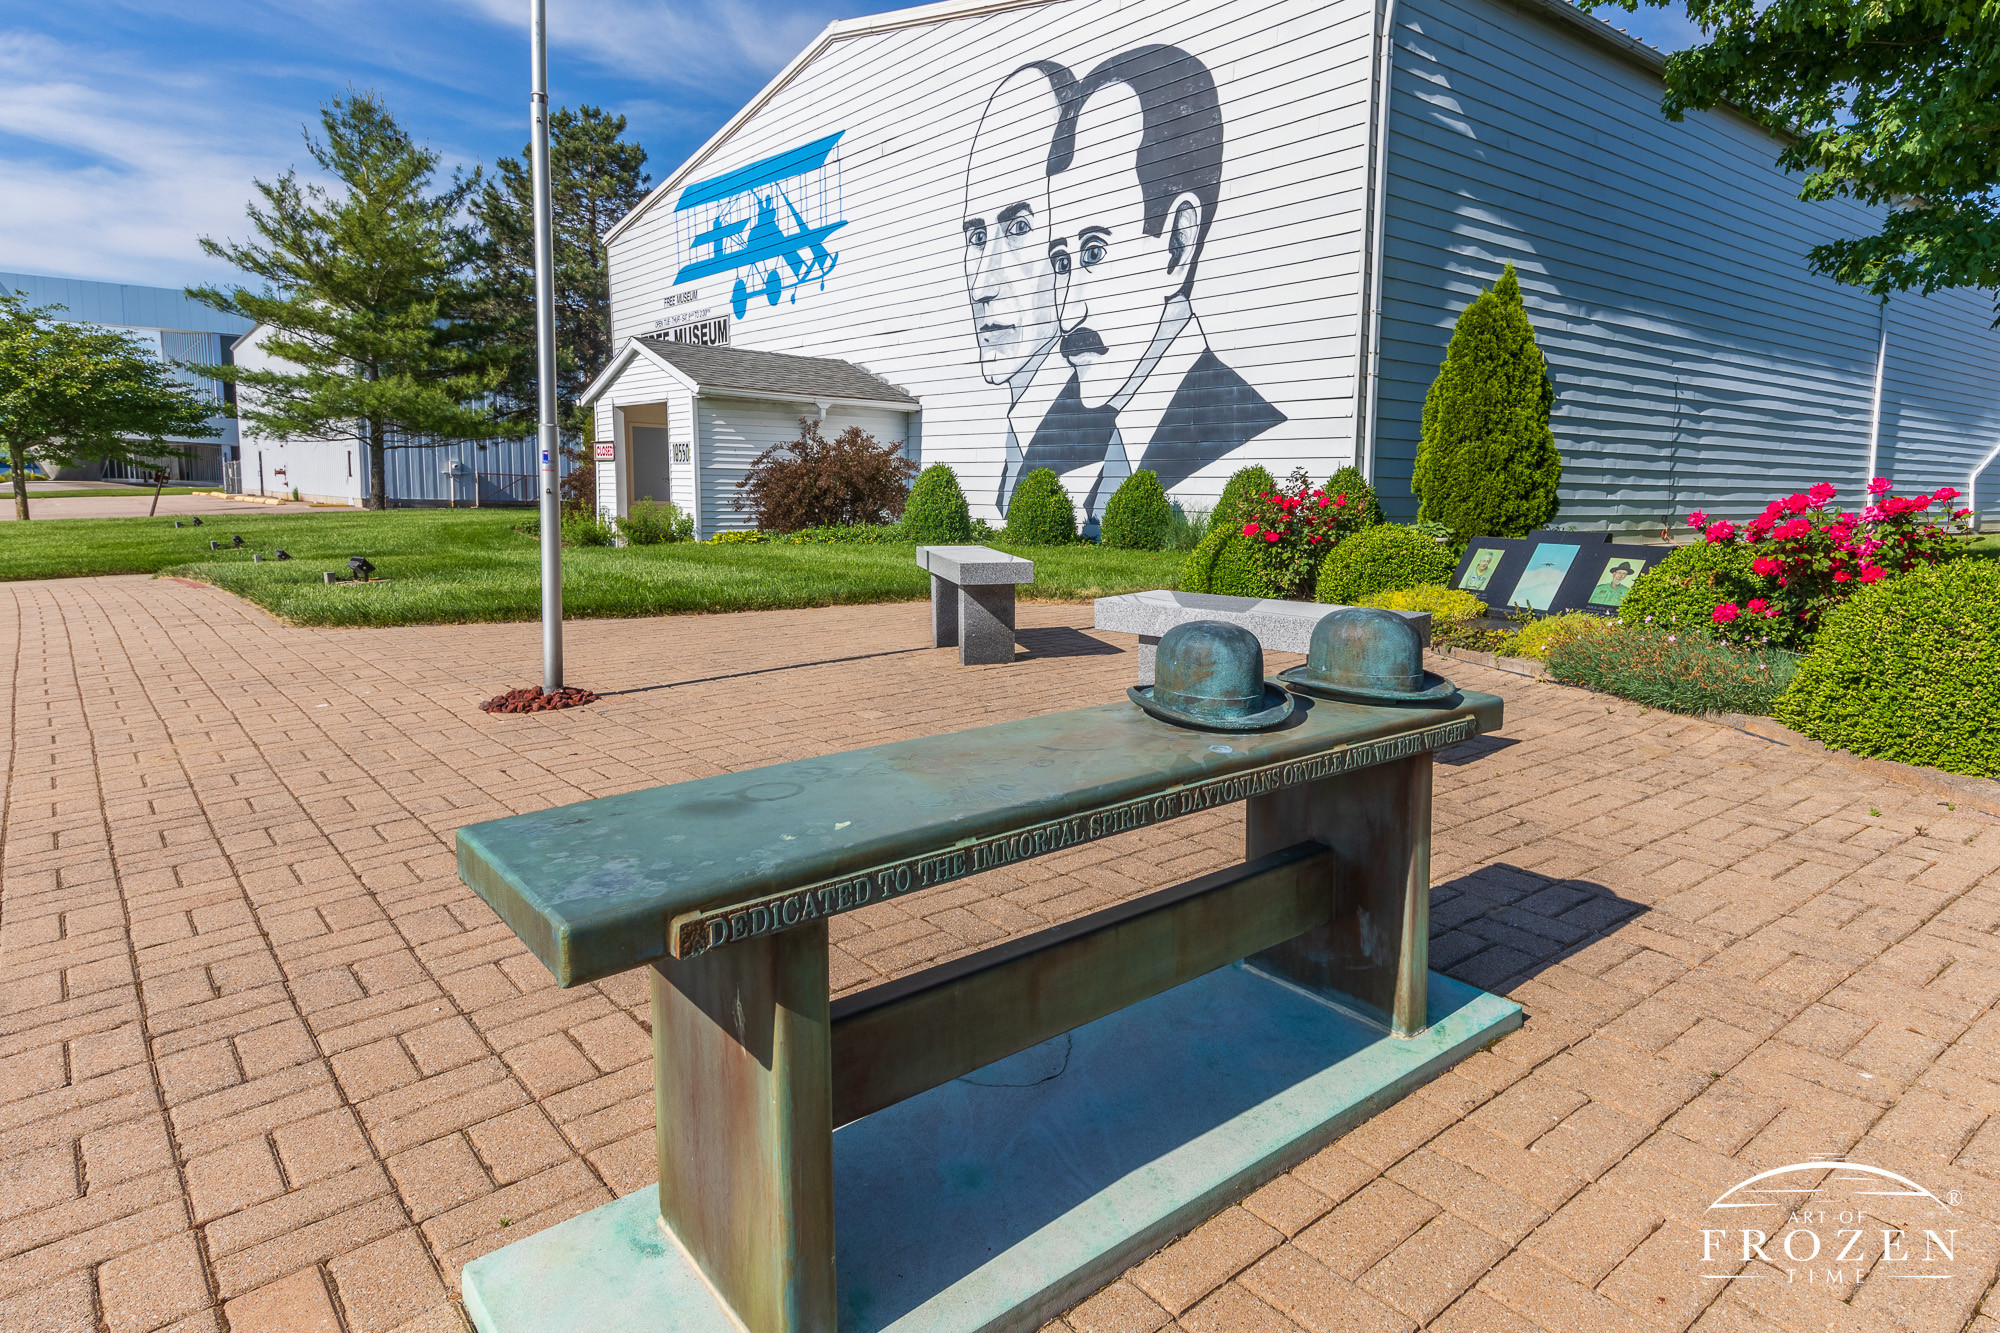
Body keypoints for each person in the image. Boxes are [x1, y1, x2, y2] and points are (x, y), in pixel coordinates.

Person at [1038, 44, 1284, 516]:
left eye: (1094, 252)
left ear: (1178, 243)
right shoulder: (1105, 445)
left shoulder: (1236, 433)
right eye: (1062, 263)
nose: (1069, 313)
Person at [962, 62, 1088, 513]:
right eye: (976, 238)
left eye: (1018, 227)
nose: (981, 286)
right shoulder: (1026, 424)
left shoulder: (1106, 431)